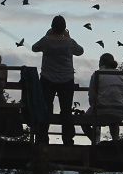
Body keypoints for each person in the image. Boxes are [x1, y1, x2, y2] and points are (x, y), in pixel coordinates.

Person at [32, 15, 84, 145]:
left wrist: (46, 35)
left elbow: (34, 48)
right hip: (66, 79)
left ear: (51, 27)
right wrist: (68, 37)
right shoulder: (69, 42)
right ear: (65, 28)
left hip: (47, 78)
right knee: (66, 110)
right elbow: (80, 51)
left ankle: (42, 137)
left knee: (46, 108)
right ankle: (67, 139)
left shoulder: (46, 41)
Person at [79, 53, 123, 143]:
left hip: (102, 110)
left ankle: (95, 141)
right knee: (114, 119)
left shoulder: (97, 74)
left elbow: (92, 97)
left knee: (83, 120)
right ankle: (115, 141)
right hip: (120, 111)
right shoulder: (120, 75)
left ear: (101, 62)